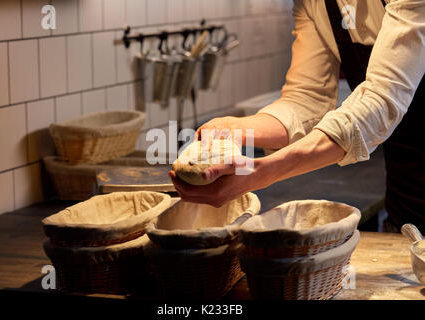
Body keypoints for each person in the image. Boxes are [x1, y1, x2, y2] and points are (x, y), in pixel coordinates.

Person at [169, 0, 425, 232]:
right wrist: (235, 129)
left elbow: (381, 101)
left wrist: (261, 172)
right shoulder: (314, 4)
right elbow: (306, 99)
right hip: (406, 203)